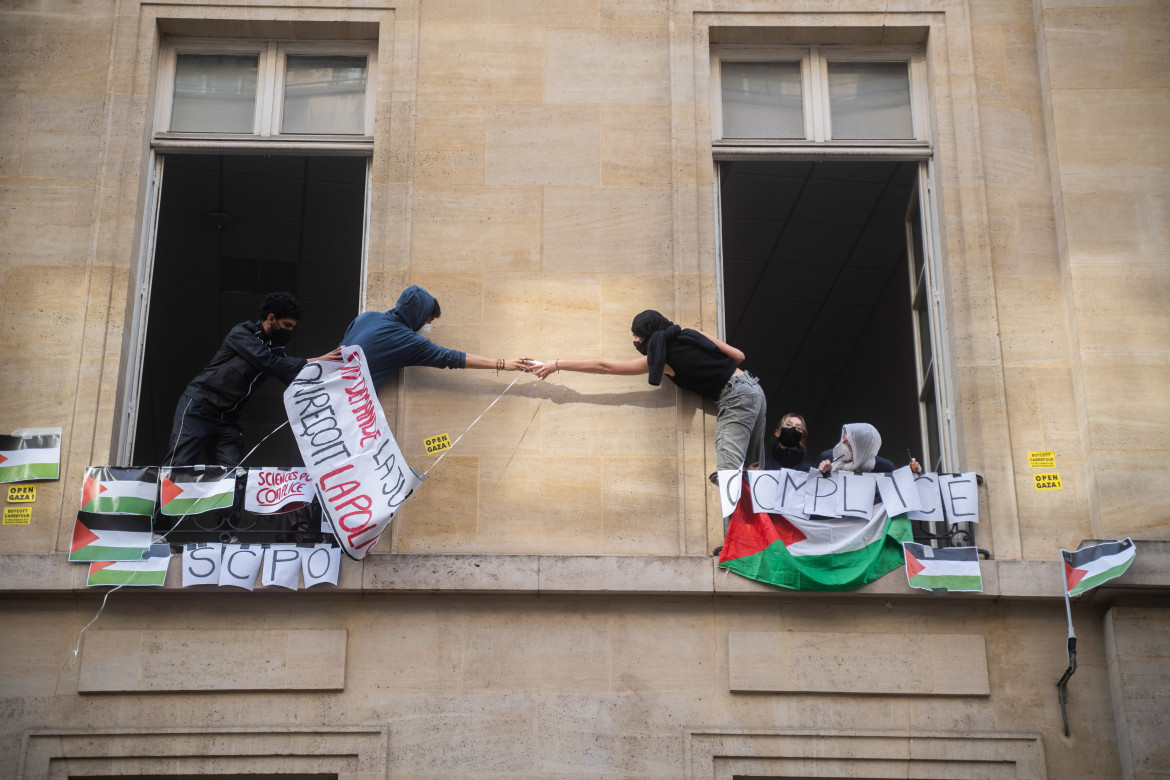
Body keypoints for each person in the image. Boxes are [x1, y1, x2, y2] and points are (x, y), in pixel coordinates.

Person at [531, 310, 767, 476]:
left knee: (728, 474)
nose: (634, 340)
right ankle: (759, 542)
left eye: (636, 336)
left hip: (735, 398)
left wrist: (557, 364)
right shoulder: (691, 335)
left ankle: (734, 546)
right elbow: (739, 356)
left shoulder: (662, 360)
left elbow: (605, 367)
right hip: (753, 388)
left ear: (646, 336)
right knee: (754, 470)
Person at [165, 292, 341, 467]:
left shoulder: (276, 349)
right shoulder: (242, 333)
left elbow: (292, 377)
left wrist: (334, 382)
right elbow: (268, 361)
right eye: (287, 325)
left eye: (293, 327)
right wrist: (314, 360)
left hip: (226, 419)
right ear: (271, 318)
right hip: (199, 407)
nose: (290, 330)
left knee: (233, 475)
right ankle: (166, 495)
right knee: (178, 466)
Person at [342, 285, 528, 390]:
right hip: (343, 403)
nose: (428, 325)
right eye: (429, 320)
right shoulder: (407, 341)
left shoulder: (366, 317)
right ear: (419, 316)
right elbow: (451, 357)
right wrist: (502, 364)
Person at [816, 422, 922, 475]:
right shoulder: (827, 457)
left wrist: (914, 475)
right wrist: (820, 473)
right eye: (842, 440)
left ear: (862, 448)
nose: (841, 444)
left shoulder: (884, 468)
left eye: (848, 443)